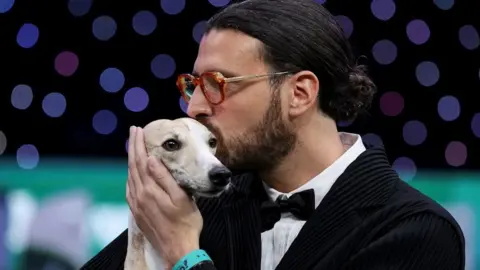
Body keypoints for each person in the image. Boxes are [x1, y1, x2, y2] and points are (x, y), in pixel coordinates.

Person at [81, 0, 465, 269]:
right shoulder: (202, 204)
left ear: (299, 93)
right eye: (193, 84)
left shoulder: (417, 230)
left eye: (218, 82)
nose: (194, 106)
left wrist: (185, 255)